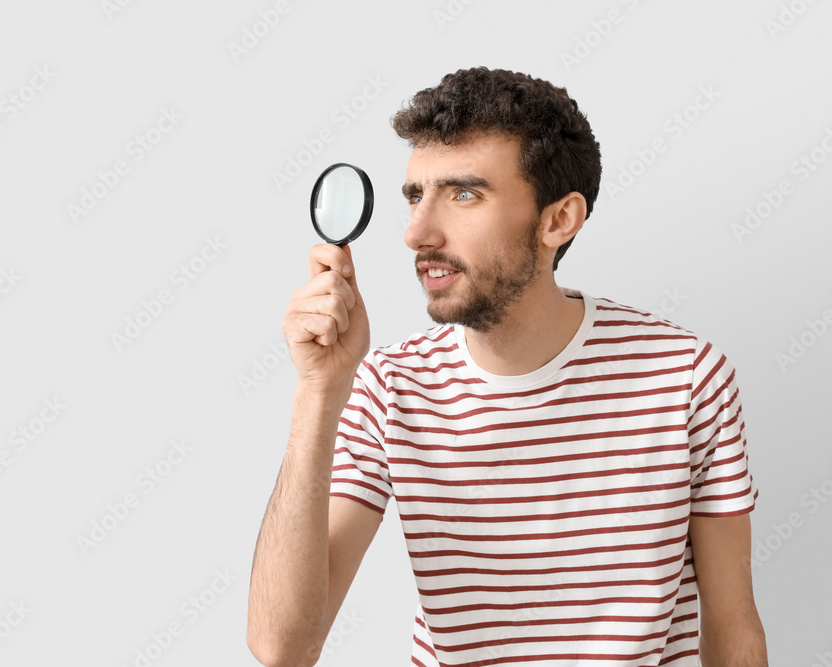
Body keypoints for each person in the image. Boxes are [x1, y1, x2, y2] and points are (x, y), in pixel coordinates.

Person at [247, 67, 768, 667]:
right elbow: (282, 647)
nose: (417, 232)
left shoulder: (687, 378)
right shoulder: (391, 388)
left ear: (558, 220)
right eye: (416, 196)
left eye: (464, 193)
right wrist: (320, 389)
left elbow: (734, 633)